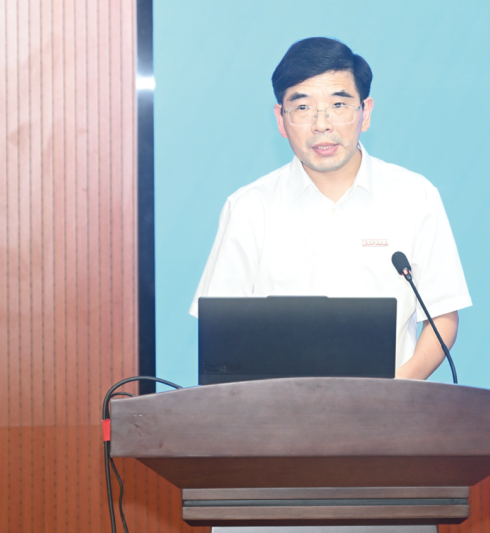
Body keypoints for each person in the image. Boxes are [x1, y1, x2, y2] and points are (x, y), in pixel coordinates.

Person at [191, 37, 471, 383]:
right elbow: (220, 330)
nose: (321, 124)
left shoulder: (414, 196)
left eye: (338, 105)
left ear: (365, 113)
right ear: (281, 120)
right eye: (303, 107)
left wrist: (396, 392)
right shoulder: (249, 207)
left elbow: (442, 315)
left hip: (388, 410)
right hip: (275, 412)